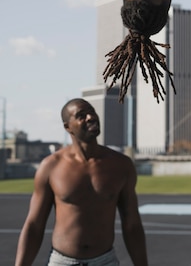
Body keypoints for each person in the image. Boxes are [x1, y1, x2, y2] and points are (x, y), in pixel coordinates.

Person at [15, 98, 148, 266]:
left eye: (92, 112)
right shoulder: (51, 166)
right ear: (68, 127)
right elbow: (34, 225)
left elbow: (132, 225)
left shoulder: (121, 165)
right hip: (62, 262)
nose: (91, 117)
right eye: (81, 115)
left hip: (105, 261)